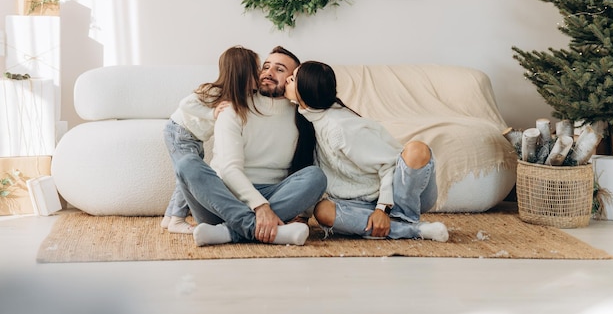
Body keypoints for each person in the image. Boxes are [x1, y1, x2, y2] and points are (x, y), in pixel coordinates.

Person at [176, 46, 327, 246]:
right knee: (187, 163)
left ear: (293, 80)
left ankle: (228, 233)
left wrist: (299, 213)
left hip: (273, 194)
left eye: (280, 70)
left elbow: (309, 170)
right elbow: (229, 169)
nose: (268, 73)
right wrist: (260, 207)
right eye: (265, 67)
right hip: (222, 199)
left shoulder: (303, 118)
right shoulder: (234, 107)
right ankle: (260, 229)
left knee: (316, 177)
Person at [284, 60, 449, 242]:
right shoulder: (309, 122)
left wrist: (382, 209)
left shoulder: (339, 128)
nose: (287, 80)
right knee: (323, 211)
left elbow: (388, 165)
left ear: (306, 89)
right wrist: (304, 215)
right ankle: (414, 229)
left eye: (293, 79)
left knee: (417, 149)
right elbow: (314, 173)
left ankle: (401, 221)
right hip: (361, 200)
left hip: (403, 192)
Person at [161, 45, 260, 233]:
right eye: (256, 70)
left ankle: (169, 218)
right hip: (180, 132)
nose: (260, 73)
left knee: (183, 176)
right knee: (188, 176)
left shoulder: (239, 97)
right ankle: (177, 220)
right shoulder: (214, 91)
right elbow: (185, 104)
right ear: (243, 74)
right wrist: (211, 112)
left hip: (195, 138)